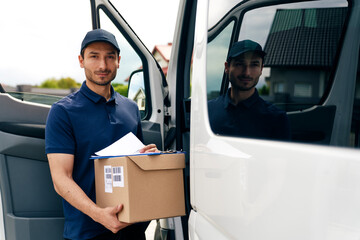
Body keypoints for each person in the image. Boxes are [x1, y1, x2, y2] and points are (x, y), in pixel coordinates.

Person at [45, 29, 157, 240]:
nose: (103, 66)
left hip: (131, 226)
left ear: (118, 61)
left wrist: (149, 157)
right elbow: (61, 178)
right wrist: (99, 215)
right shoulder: (63, 112)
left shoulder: (131, 108)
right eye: (94, 56)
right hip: (87, 232)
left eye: (109, 57)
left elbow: (134, 166)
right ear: (81, 60)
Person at [208, 39, 291, 141]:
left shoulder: (277, 119)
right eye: (239, 64)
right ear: (227, 67)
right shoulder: (208, 111)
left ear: (261, 69)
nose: (247, 72)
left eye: (254, 65)